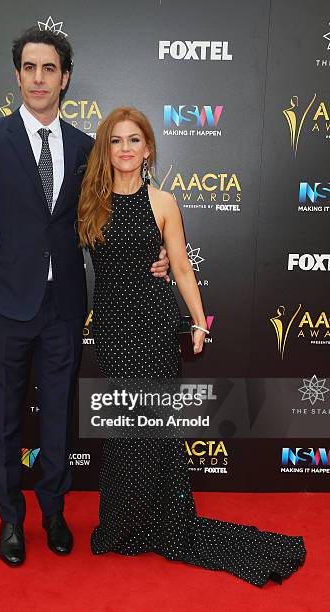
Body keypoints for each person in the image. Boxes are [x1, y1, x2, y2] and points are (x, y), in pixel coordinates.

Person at [0, 29, 168, 568]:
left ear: (64, 78)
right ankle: (10, 519)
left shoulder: (84, 148)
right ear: (18, 75)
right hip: (4, 307)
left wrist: (154, 258)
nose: (39, 78)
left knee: (57, 418)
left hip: (65, 309)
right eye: (29, 68)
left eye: (49, 68)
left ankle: (53, 512)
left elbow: (111, 218)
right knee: (3, 420)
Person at [76, 107, 306, 586]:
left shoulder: (164, 202)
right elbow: (52, 240)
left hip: (156, 325)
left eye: (133, 140)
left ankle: (164, 523)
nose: (124, 149)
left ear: (148, 148)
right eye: (116, 141)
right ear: (106, 149)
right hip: (115, 329)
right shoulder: (89, 200)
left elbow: (179, 265)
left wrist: (200, 322)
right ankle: (123, 525)